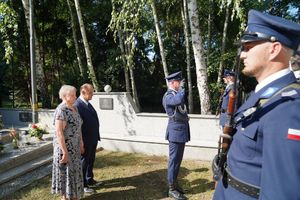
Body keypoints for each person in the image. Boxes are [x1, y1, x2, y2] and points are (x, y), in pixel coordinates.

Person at [213, 9, 300, 200]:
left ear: (274, 49)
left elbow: (281, 192)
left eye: (248, 47)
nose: (242, 54)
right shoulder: (263, 95)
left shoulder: (288, 106)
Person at [52, 85, 84, 200]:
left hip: (75, 148)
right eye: (72, 95)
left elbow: (78, 127)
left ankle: (74, 195)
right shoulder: (61, 110)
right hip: (65, 149)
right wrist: (65, 152)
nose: (75, 96)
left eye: (75, 94)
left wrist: (81, 143)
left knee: (74, 172)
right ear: (65, 96)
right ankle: (66, 197)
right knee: (66, 175)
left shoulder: (74, 108)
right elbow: (59, 133)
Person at [162, 71, 190, 200]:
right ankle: (171, 189)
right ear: (173, 83)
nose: (180, 84)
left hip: (180, 131)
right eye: (179, 82)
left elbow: (181, 109)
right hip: (175, 132)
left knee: (178, 161)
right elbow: (179, 100)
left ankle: (175, 183)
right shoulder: (168, 96)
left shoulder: (174, 94)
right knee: (173, 161)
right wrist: (183, 89)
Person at [74, 83, 101, 193]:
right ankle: (83, 185)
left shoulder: (87, 103)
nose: (92, 95)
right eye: (90, 93)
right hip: (85, 139)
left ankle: (89, 179)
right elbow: (79, 125)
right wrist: (81, 141)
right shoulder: (78, 105)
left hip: (93, 138)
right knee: (84, 162)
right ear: (83, 92)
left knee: (91, 160)